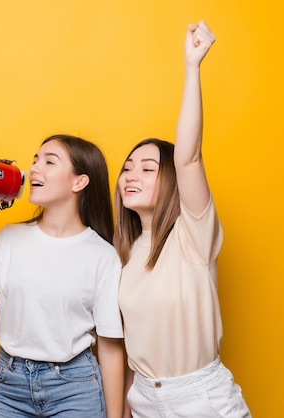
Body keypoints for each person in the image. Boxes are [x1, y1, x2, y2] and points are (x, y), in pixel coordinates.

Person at [114, 21, 251, 417]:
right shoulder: (123, 253)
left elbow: (188, 156)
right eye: (126, 168)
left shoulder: (193, 234)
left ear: (170, 178)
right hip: (143, 400)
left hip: (201, 400)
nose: (130, 176)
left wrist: (192, 68)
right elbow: (131, 349)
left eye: (146, 168)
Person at [0, 134, 125, 417]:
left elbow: (111, 348)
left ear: (80, 181)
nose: (34, 170)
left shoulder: (104, 257)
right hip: (9, 387)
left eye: (49, 161)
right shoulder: (8, 240)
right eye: (35, 160)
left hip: (75, 388)